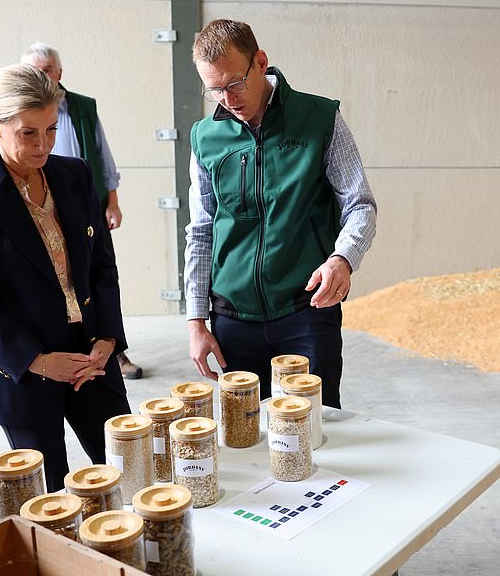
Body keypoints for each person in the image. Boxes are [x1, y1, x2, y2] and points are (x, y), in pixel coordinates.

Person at [0, 64, 132, 492]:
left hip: (92, 358)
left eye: (51, 129)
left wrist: (108, 340)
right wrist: (38, 361)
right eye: (28, 133)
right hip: (23, 370)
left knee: (128, 474)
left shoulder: (74, 174)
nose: (43, 145)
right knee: (51, 499)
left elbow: (102, 267)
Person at [185, 20, 377, 408]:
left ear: (260, 61)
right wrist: (196, 320)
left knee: (313, 432)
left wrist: (343, 259)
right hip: (233, 318)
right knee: (246, 435)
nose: (227, 98)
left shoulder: (319, 118)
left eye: (235, 83)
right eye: (214, 89)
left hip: (305, 312)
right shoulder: (205, 137)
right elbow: (201, 230)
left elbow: (360, 204)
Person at [21, 42, 143, 380]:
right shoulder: (19, 114)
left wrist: (113, 202)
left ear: (59, 73)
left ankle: (115, 351)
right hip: (42, 207)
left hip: (85, 205)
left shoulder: (83, 107)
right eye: (33, 71)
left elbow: (103, 157)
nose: (40, 77)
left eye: (45, 70)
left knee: (100, 275)